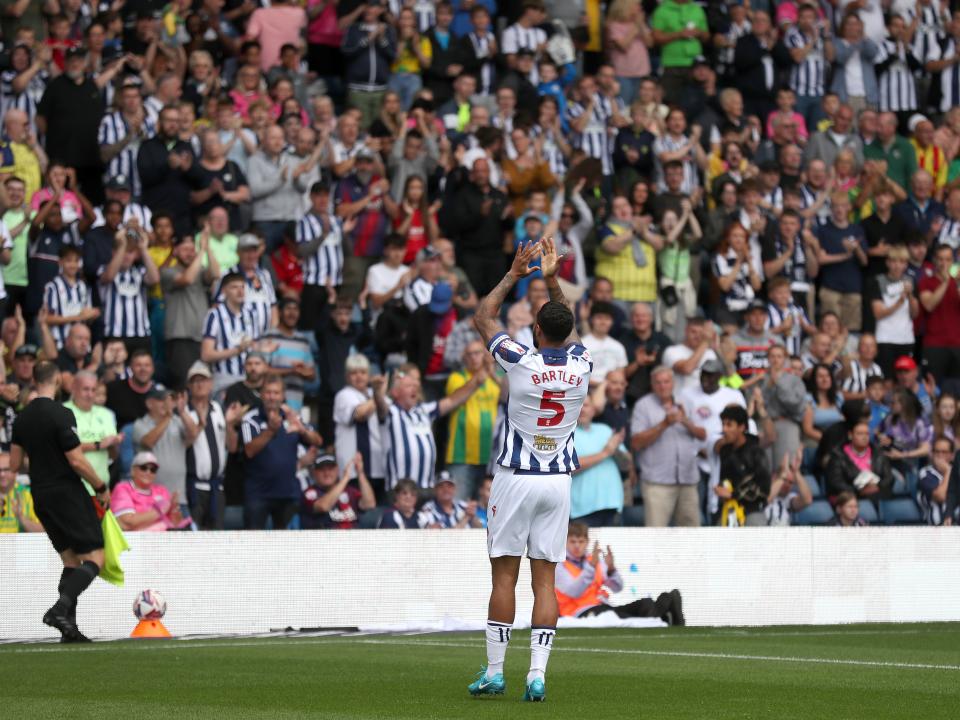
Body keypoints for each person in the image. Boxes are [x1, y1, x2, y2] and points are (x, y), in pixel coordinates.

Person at [469, 238, 592, 702]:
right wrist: (552, 277)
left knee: (504, 578)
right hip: (558, 483)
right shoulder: (581, 364)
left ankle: (496, 672)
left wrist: (515, 274)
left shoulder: (520, 360)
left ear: (535, 329)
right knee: (545, 580)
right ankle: (537, 675)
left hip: (516, 477)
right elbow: (569, 327)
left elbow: (483, 318)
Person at [9, 361, 110, 642]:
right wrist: (100, 486)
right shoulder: (61, 413)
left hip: (40, 495)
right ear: (55, 381)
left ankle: (69, 629)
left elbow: (15, 463)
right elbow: (76, 459)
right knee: (94, 558)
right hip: (66, 492)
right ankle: (60, 609)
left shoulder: (22, 419)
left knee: (70, 560)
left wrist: (42, 455)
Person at [555, 522, 684, 624]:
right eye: (572, 542)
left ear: (587, 542)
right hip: (580, 613)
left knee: (646, 604)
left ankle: (663, 611)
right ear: (565, 542)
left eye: (581, 541)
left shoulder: (593, 559)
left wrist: (611, 571)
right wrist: (591, 567)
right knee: (626, 618)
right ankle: (665, 609)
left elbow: (617, 588)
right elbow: (574, 591)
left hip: (602, 607)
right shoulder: (559, 565)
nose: (577, 546)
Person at [241, 374, 323, 529]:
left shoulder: (292, 417)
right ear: (262, 394)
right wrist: (271, 431)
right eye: (268, 392)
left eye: (276, 393)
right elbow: (249, 450)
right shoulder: (251, 419)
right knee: (251, 546)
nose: (272, 397)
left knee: (288, 548)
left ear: (283, 395)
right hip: (258, 494)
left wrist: (302, 430)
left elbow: (318, 441)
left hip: (288, 493)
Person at [631, 364, 704, 527]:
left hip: (687, 480)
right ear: (652, 385)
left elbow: (702, 434)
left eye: (666, 381)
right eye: (658, 382)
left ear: (673, 383)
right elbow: (636, 443)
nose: (663, 386)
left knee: (693, 535)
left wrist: (684, 420)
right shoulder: (643, 406)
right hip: (658, 484)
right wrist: (664, 424)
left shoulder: (686, 402)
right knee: (656, 536)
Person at [185, 361, 245, 530]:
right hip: (194, 486)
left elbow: (231, 447)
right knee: (194, 538)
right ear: (189, 386)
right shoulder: (184, 412)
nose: (199, 385)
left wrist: (230, 425)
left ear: (211, 384)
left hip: (217, 487)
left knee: (216, 537)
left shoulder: (219, 410)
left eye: (203, 380)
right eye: (195, 381)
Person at [445, 340, 502, 501]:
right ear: (464, 358)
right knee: (457, 505)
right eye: (470, 354)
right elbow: (458, 396)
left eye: (478, 353)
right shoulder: (456, 378)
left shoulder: (495, 378)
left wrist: (492, 373)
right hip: (461, 455)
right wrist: (484, 371)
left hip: (491, 455)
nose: (474, 357)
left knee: (490, 508)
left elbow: (509, 395)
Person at [132, 384, 201, 514]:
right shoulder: (140, 424)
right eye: (161, 400)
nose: (166, 403)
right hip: (150, 499)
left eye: (169, 399)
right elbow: (149, 442)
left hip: (178, 498)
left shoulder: (177, 420)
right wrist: (168, 417)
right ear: (149, 403)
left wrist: (182, 412)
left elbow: (194, 434)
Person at [63, 371, 123, 494]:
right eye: (85, 389)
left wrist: (114, 444)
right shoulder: (62, 411)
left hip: (100, 488)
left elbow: (113, 456)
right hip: (72, 488)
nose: (90, 394)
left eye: (93, 390)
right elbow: (64, 449)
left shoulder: (107, 414)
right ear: (74, 388)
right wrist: (99, 445)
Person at [713, 405, 771, 526]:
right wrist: (721, 489)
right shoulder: (725, 450)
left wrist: (732, 494)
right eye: (723, 424)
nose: (724, 429)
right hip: (729, 509)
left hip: (753, 511)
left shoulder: (756, 450)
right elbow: (726, 479)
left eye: (729, 425)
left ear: (741, 427)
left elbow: (764, 489)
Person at [572, 398, 626, 527]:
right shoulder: (565, 434)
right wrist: (605, 453)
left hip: (612, 504)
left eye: (585, 405)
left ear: (593, 410)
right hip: (581, 509)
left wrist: (616, 449)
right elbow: (567, 466)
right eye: (577, 405)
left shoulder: (605, 429)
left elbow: (626, 466)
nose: (582, 409)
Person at [112, 451, 191, 532]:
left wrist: (174, 508)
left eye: (153, 469)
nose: (148, 472)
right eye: (143, 468)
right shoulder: (123, 488)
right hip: (134, 541)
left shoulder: (161, 490)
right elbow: (127, 523)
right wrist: (160, 511)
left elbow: (175, 523)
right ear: (133, 470)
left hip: (163, 540)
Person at [300, 453, 376, 530]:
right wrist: (345, 478)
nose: (327, 473)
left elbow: (369, 504)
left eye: (330, 469)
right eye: (322, 470)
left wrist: (360, 473)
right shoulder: (310, 493)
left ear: (337, 470)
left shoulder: (349, 490)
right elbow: (323, 506)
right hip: (323, 539)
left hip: (353, 537)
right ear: (314, 473)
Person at [917, 435, 956, 526]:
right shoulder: (925, 473)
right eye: (936, 451)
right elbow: (941, 497)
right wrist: (948, 471)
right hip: (937, 527)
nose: (940, 455)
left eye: (944, 452)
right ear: (932, 453)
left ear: (952, 455)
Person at [0, 450, 42, 533]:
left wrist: (21, 517)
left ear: (15, 471)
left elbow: (42, 531)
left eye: (6, 469)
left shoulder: (29, 494)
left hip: (21, 545)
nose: (2, 474)